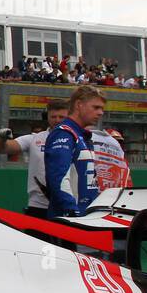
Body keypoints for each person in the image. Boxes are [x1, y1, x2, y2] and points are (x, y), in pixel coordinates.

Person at [0, 99, 69, 218]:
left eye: (62, 117)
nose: (57, 120)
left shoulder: (77, 139)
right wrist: (2, 137)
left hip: (68, 203)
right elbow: (2, 148)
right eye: (53, 116)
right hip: (38, 205)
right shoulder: (34, 138)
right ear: (47, 117)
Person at [44, 85, 106, 219]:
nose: (101, 113)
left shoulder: (83, 135)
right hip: (70, 222)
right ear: (79, 105)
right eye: (96, 107)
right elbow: (58, 178)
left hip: (87, 217)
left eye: (102, 108)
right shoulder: (65, 133)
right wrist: (72, 211)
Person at [91, 125, 132, 191]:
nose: (117, 143)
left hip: (114, 194)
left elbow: (127, 180)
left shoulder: (122, 160)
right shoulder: (93, 153)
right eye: (115, 140)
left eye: (119, 142)